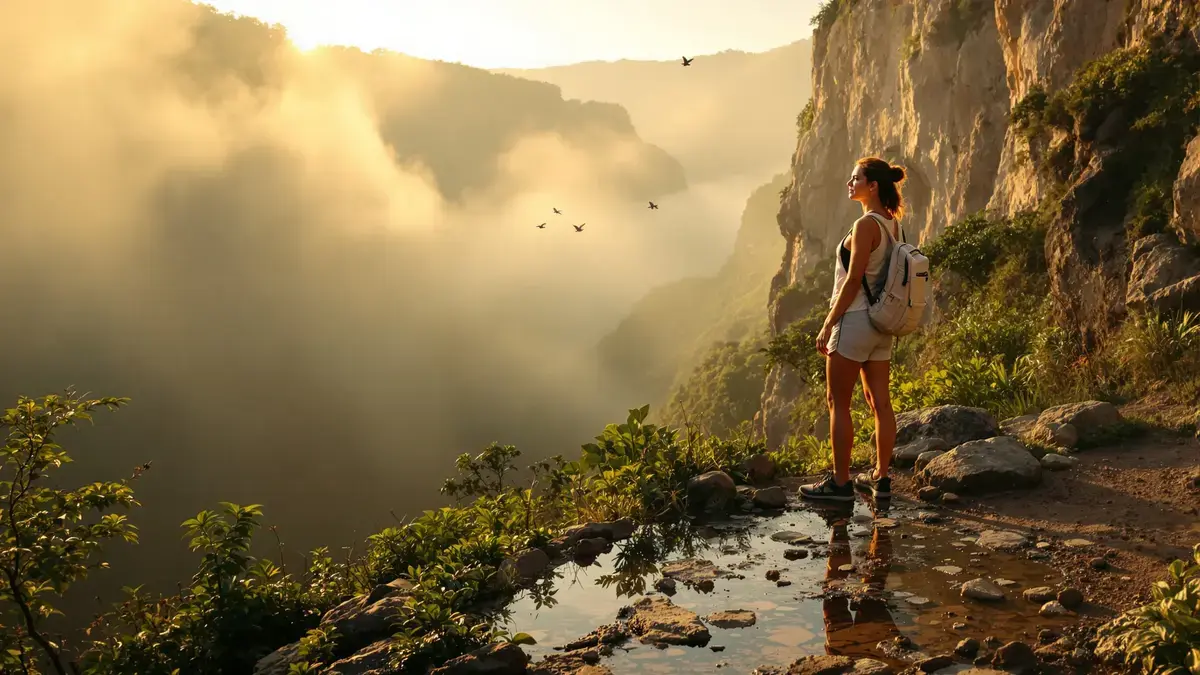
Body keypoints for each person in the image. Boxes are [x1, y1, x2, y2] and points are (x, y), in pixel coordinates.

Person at [799, 157, 907, 502]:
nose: (849, 183)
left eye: (855, 178)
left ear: (872, 186)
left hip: (855, 321)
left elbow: (853, 280)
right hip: (881, 324)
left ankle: (840, 483)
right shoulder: (892, 225)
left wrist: (828, 322)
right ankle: (881, 478)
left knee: (838, 402)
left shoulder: (865, 225)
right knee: (880, 403)